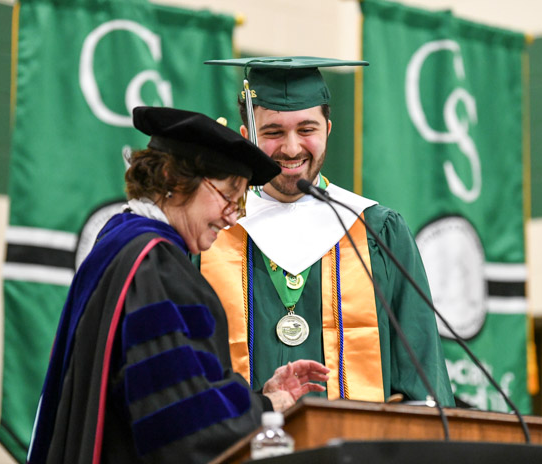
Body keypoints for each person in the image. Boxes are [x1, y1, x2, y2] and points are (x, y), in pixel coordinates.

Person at [27, 106, 330, 464]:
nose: (232, 217)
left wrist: (261, 400)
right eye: (227, 197)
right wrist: (268, 409)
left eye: (239, 203)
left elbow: (166, 391)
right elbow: (181, 425)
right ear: (172, 178)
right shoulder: (157, 268)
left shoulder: (119, 240)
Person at [199, 57, 454, 406]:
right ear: (246, 137)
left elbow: (421, 376)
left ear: (328, 129)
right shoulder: (212, 232)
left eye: (307, 129)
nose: (291, 148)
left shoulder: (375, 229)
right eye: (273, 132)